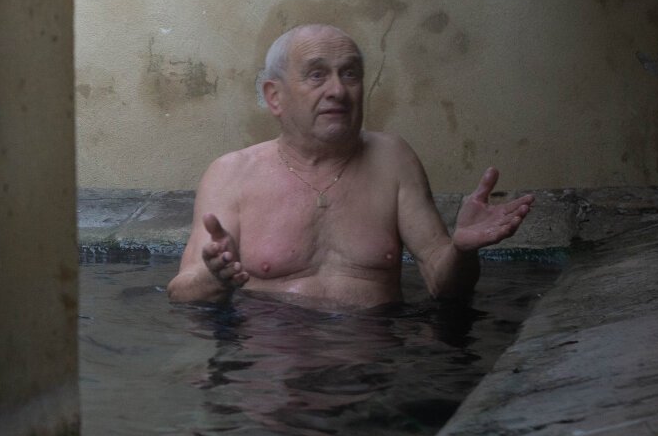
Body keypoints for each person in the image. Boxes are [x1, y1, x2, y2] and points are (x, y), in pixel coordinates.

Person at [167, 24, 534, 308]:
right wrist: (215, 277)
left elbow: (445, 286)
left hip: (373, 366)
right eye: (317, 75)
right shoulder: (232, 174)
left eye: (350, 74)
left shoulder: (393, 159)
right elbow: (181, 291)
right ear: (274, 97)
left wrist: (462, 251)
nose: (338, 91)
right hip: (271, 366)